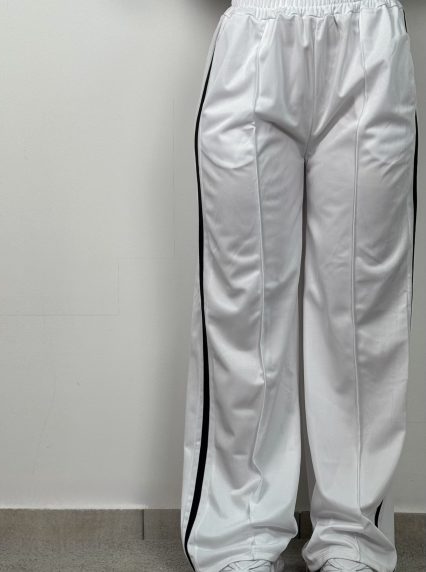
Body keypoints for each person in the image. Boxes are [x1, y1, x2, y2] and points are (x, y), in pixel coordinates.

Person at [179, 0, 418, 571]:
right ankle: (238, 540)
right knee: (244, 308)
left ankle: (353, 543)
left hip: (371, 34)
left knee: (362, 313)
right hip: (254, 33)